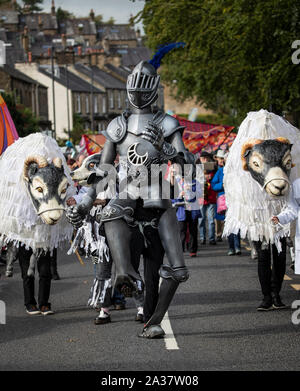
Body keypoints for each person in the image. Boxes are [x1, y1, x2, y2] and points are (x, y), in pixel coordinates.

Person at [212, 149, 241, 255]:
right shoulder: (220, 171)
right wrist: (222, 186)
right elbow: (213, 185)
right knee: (229, 224)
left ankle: (238, 247)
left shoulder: (237, 172)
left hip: (235, 199)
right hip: (224, 201)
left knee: (236, 223)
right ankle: (231, 247)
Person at [171, 164, 201, 257]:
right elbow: (172, 198)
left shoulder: (196, 183)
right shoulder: (177, 182)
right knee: (181, 231)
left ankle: (193, 250)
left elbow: (199, 194)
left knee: (193, 231)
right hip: (181, 210)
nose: (184, 178)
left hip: (192, 210)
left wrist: (191, 192)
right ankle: (180, 250)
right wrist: (180, 194)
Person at [198, 169, 217, 245]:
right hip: (201, 201)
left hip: (211, 201)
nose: (207, 176)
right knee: (201, 220)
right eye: (206, 174)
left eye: (208, 174)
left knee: (211, 220)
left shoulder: (213, 178)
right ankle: (202, 238)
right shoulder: (199, 178)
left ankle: (212, 238)